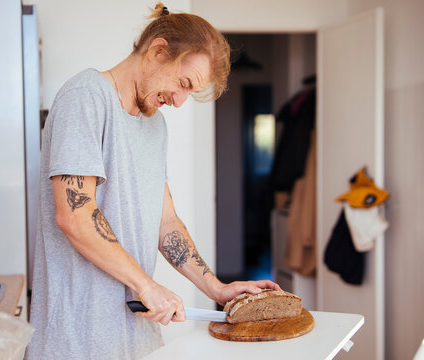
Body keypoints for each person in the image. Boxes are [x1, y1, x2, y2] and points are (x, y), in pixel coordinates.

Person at [26, 3, 281, 359]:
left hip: (136, 337)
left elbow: (166, 223)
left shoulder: (154, 125)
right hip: (78, 339)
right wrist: (147, 285)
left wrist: (217, 288)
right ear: (158, 51)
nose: (178, 101)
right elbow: (75, 215)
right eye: (182, 83)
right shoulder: (86, 97)